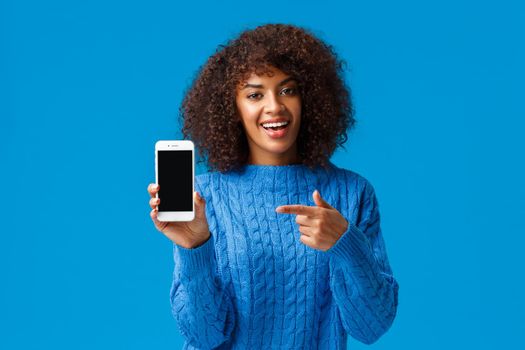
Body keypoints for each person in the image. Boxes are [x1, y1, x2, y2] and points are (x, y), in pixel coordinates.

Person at [147, 23, 399, 349]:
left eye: (287, 90)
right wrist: (195, 248)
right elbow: (204, 335)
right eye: (254, 94)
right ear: (231, 108)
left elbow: (372, 326)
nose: (274, 107)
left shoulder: (352, 193)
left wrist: (346, 244)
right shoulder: (203, 199)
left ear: (310, 98)